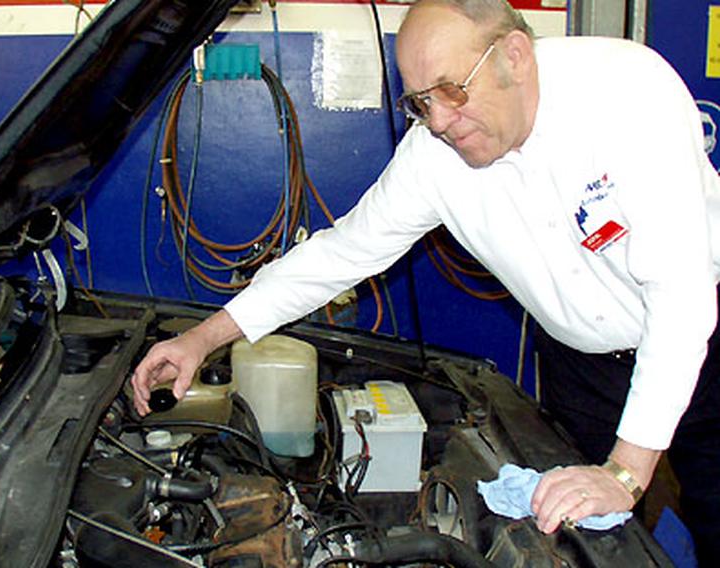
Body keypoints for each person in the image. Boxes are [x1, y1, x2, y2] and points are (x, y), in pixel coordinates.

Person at [132, 0, 720, 563]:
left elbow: (682, 299)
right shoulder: (434, 155)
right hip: (582, 367)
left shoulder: (627, 95)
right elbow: (339, 255)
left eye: (451, 92)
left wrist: (625, 471)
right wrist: (200, 340)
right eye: (419, 102)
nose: (438, 122)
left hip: (704, 344)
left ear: (514, 55)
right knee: (580, 534)